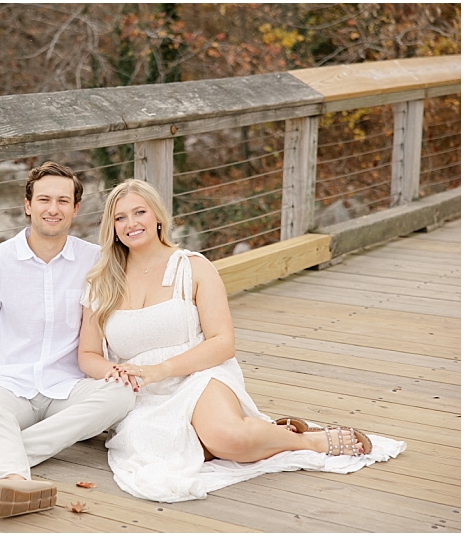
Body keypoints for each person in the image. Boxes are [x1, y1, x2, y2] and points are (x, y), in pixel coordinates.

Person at [77, 179, 406, 503]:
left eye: (140, 212)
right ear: (112, 227)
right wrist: (115, 370)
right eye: (120, 217)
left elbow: (223, 342)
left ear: (158, 217)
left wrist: (163, 369)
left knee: (228, 439)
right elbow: (89, 354)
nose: (131, 223)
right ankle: (271, 433)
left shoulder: (193, 268)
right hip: (142, 391)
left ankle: (311, 441)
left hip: (199, 374)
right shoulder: (102, 281)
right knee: (164, 457)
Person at [0, 162, 136, 518]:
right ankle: (13, 480)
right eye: (44, 200)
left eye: (63, 201)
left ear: (75, 208)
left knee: (121, 393)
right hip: (11, 383)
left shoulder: (97, 260)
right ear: (28, 204)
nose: (53, 209)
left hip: (68, 385)